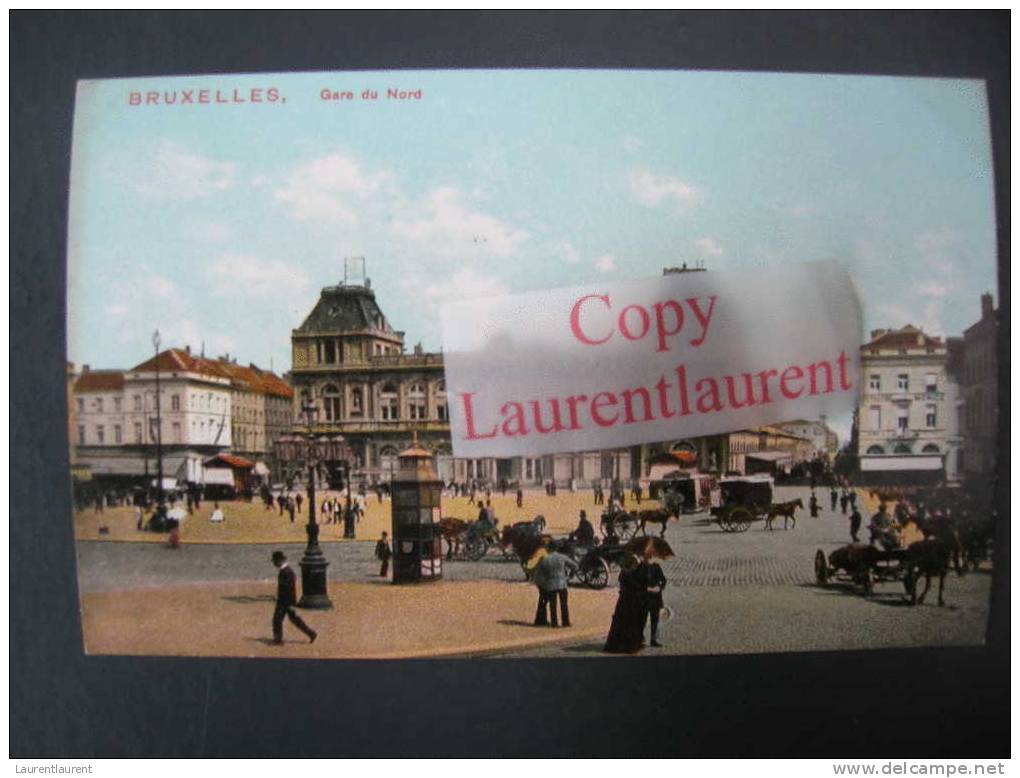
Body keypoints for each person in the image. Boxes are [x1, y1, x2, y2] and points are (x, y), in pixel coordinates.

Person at [604, 554, 648, 654]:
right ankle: (631, 645)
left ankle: (619, 644)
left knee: (622, 623)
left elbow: (623, 582)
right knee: (633, 622)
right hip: (633, 601)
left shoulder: (624, 573)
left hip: (624, 600)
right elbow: (640, 585)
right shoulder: (637, 571)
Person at [270, 551, 316, 645]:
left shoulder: (286, 572)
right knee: (294, 619)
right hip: (286, 601)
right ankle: (311, 633)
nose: (274, 564)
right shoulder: (287, 571)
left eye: (275, 561)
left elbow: (289, 589)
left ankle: (278, 640)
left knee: (277, 619)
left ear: (279, 561)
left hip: (284, 601)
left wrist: (291, 603)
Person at [533, 548, 577, 627]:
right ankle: (565, 622)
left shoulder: (545, 559)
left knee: (553, 605)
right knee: (564, 604)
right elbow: (575, 566)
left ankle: (554, 622)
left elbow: (539, 575)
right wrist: (570, 576)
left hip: (550, 584)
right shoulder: (562, 557)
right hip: (562, 583)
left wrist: (542, 585)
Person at [645, 559, 667, 647]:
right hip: (644, 597)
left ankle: (653, 639)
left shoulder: (656, 566)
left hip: (655, 598)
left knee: (655, 619)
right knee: (642, 618)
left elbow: (663, 580)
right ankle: (640, 638)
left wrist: (659, 587)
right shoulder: (641, 568)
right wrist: (648, 589)